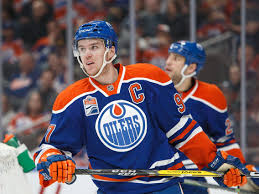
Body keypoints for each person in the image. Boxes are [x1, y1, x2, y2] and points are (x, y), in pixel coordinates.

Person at [34, 21, 249, 194]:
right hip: (113, 191)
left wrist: (217, 165)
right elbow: (52, 147)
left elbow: (184, 131)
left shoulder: (150, 79)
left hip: (163, 187)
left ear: (111, 51)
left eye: (94, 47)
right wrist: (53, 160)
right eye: (82, 49)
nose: (86, 54)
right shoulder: (71, 99)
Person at [164, 40, 259, 193]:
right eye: (169, 56)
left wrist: (240, 169)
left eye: (176, 58)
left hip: (197, 173)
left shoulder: (210, 96)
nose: (168, 62)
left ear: (191, 67)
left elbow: (224, 141)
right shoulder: (154, 90)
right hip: (162, 172)